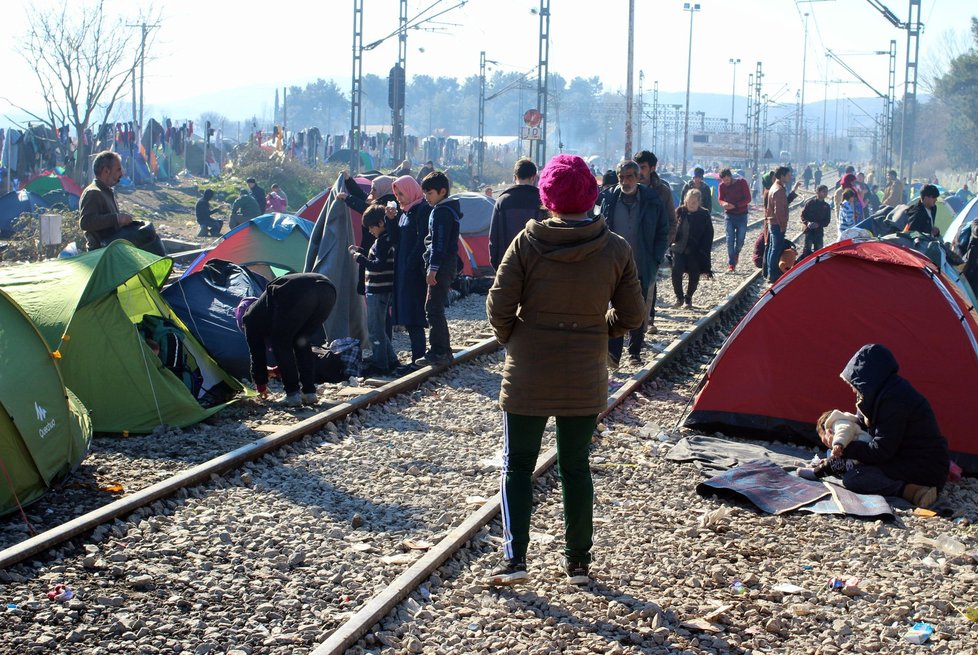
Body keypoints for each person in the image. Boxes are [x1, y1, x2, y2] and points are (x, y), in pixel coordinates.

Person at [485, 153, 646, 586]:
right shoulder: (615, 248)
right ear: (591, 195)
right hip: (584, 373)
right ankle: (577, 563)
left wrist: (516, 339)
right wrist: (600, 329)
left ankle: (516, 560)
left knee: (517, 464)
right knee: (575, 466)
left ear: (547, 196)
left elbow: (498, 306)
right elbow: (634, 313)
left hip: (528, 372)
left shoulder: (526, 242)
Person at [834, 344, 950, 509]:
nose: (853, 389)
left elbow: (881, 451)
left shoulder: (895, 399)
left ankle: (910, 490)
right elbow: (859, 424)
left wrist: (846, 449)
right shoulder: (876, 394)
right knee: (852, 468)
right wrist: (837, 436)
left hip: (924, 467)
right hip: (902, 458)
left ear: (867, 379)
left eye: (854, 383)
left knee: (854, 478)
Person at [600, 160, 668, 368]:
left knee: (637, 307)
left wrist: (655, 259)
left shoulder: (651, 200)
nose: (624, 181)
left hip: (641, 262)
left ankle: (635, 351)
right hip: (614, 264)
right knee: (614, 307)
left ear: (638, 177)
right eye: (621, 177)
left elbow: (662, 231)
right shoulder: (610, 199)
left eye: (629, 176)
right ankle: (613, 354)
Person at [238, 273, 337, 407]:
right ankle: (309, 393)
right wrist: (280, 368)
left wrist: (260, 385)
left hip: (298, 291)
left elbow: (257, 355)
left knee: (281, 342)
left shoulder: (249, 320)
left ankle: (292, 395)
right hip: (328, 290)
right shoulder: (265, 310)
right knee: (302, 341)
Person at [79, 150, 165, 256]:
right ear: (106, 171)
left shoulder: (107, 191)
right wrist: (117, 218)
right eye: (118, 169)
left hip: (111, 253)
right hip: (100, 256)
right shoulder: (93, 193)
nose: (122, 173)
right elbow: (86, 222)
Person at [385, 175, 432, 371]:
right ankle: (416, 358)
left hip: (413, 271)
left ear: (411, 190)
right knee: (408, 313)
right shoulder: (404, 214)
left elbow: (423, 240)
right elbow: (395, 240)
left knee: (414, 315)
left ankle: (419, 358)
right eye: (396, 194)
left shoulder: (421, 210)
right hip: (403, 269)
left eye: (401, 193)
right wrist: (390, 220)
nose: (399, 197)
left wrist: (412, 264)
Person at [349, 205, 398, 376]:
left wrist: (359, 258)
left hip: (378, 290)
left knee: (374, 329)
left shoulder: (383, 241)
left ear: (380, 223)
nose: (370, 231)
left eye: (371, 227)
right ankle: (391, 360)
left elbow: (378, 265)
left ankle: (380, 363)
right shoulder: (385, 239)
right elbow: (377, 259)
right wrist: (362, 251)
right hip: (380, 290)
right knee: (379, 328)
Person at [420, 171, 462, 367]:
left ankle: (439, 351)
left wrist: (433, 269)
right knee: (435, 307)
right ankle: (443, 350)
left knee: (433, 308)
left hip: (441, 264)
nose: (426, 197)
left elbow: (439, 243)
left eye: (429, 193)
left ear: (442, 191)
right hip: (446, 262)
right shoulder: (447, 209)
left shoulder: (442, 212)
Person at [633, 150, 677, 335]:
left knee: (649, 283)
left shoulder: (662, 191)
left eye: (643, 168)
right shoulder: (628, 186)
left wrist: (661, 247)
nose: (639, 172)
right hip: (629, 245)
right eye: (638, 168)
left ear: (652, 168)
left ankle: (646, 321)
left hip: (652, 249)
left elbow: (671, 222)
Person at [488, 158, 543, 271]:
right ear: (534, 177)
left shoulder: (502, 201)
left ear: (514, 177)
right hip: (536, 267)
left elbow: (493, 238)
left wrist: (498, 267)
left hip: (507, 265)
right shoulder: (542, 202)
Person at [796, 409, 873, 480]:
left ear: (827, 431)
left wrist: (838, 443)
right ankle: (813, 466)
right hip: (854, 458)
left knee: (835, 462)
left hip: (860, 457)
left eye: (823, 438)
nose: (824, 442)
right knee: (830, 458)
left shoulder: (840, 422)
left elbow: (844, 431)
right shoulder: (839, 424)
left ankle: (816, 473)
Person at [670, 188, 713, 309]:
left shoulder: (704, 215)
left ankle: (688, 298)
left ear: (699, 202)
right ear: (685, 201)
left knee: (694, 273)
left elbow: (708, 234)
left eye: (694, 202)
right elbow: (672, 228)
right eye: (689, 202)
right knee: (676, 271)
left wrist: (704, 251)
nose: (691, 205)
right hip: (678, 248)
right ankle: (679, 297)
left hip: (695, 250)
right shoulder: (679, 211)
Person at [765, 166, 801, 283]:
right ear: (782, 176)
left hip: (773, 222)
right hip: (777, 224)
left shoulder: (775, 187)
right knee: (775, 249)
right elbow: (779, 210)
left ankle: (769, 273)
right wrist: (782, 226)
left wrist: (794, 190)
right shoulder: (779, 190)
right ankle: (773, 275)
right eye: (788, 175)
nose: (790, 177)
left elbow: (784, 202)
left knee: (772, 248)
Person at [717, 168, 751, 272]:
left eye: (727, 179)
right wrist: (724, 204)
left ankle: (736, 254)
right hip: (729, 217)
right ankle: (731, 263)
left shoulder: (742, 182)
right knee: (729, 240)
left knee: (740, 240)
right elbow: (720, 199)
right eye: (724, 180)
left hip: (742, 215)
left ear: (731, 177)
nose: (726, 182)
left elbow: (748, 199)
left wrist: (735, 205)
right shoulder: (721, 186)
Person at [800, 184, 831, 256]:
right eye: (824, 191)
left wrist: (818, 224)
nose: (826, 193)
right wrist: (807, 223)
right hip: (809, 231)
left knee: (819, 253)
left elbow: (827, 221)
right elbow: (803, 215)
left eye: (827, 191)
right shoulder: (810, 203)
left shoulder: (826, 206)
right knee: (807, 251)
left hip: (819, 232)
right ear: (818, 192)